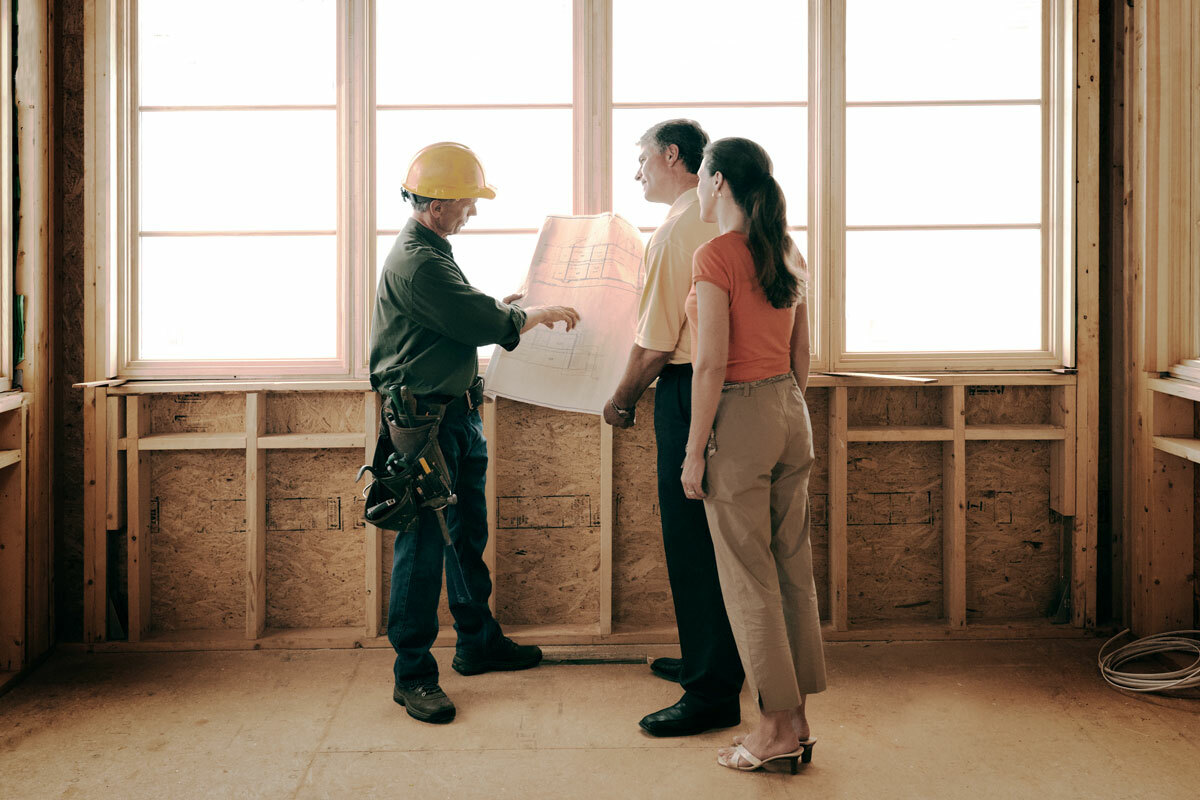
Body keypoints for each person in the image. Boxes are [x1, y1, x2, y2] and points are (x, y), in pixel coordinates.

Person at [371, 142, 580, 724]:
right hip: (424, 426)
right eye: (467, 201)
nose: (473, 211)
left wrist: (496, 307)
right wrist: (527, 315)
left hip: (453, 417)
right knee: (422, 549)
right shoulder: (418, 259)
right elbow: (477, 321)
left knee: (465, 536)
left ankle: (476, 642)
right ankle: (412, 675)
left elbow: (457, 315)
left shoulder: (432, 249)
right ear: (436, 204)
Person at [680, 137, 826, 772]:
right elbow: (802, 356)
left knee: (749, 580)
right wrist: (788, 410)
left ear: (715, 184)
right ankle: (797, 719)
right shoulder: (785, 250)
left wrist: (692, 454)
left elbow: (709, 362)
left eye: (701, 179)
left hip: (740, 417)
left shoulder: (714, 255)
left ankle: (771, 731)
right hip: (790, 412)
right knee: (792, 569)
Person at [603, 120, 745, 737]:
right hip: (743, 393)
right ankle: (708, 661)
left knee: (690, 538)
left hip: (690, 389)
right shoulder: (728, 220)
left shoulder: (676, 233)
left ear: (672, 156)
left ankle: (710, 691)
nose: (637, 173)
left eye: (642, 161)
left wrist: (621, 398)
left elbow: (657, 344)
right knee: (718, 540)